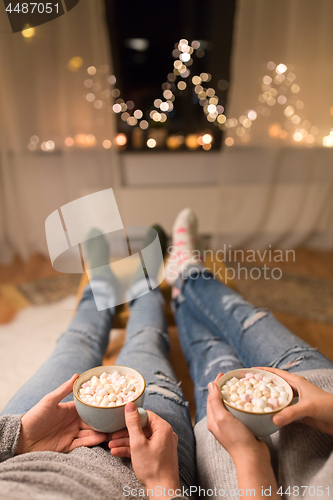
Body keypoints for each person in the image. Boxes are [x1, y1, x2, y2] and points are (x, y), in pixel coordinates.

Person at [0, 226, 194, 500]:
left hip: (26, 451)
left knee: (76, 339)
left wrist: (18, 437)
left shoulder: (23, 439)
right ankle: (144, 280)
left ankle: (100, 281)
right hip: (145, 476)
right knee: (146, 340)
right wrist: (163, 484)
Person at [162, 208, 333, 500]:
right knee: (246, 318)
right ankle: (186, 276)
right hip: (315, 399)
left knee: (212, 351)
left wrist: (249, 456)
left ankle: (185, 277)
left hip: (235, 468)